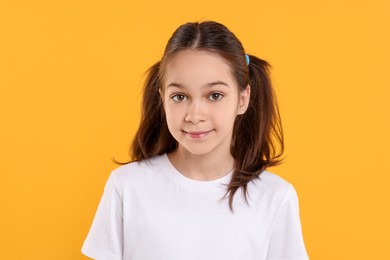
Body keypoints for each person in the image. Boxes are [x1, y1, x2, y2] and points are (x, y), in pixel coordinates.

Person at [81, 21, 309, 260]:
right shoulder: (126, 187)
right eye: (179, 96)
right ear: (162, 99)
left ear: (243, 99)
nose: (195, 115)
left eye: (215, 95)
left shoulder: (275, 197)